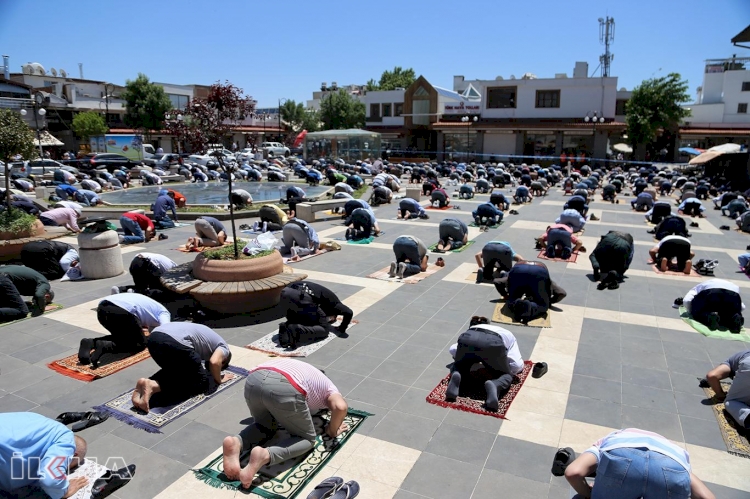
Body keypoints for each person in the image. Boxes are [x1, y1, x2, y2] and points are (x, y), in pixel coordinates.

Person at [222, 359, 349, 489]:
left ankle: (237, 442)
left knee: (264, 426)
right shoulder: (329, 387)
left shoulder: (306, 372)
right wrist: (332, 430)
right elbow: (340, 407)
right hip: (285, 386)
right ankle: (264, 455)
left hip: (254, 379)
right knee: (307, 439)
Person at [565, 428, 716, 499]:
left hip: (619, 452)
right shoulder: (675, 452)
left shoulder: (608, 440)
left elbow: (573, 472)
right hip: (672, 465)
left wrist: (589, 494)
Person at [131, 322, 231, 412]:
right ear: (224, 360)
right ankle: (154, 386)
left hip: (154, 338)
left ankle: (145, 383)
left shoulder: (210, 339)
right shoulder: (224, 347)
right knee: (200, 382)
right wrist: (219, 380)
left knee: (176, 370)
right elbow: (215, 362)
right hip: (175, 341)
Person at [0, 412, 89, 499]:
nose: (65, 469)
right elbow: (51, 479)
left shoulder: (42, 422)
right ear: (74, 454)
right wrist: (64, 491)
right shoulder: (66, 439)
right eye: (69, 466)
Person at [445, 317, 524, 411]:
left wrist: (467, 359)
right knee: (506, 375)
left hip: (468, 338)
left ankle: (457, 373)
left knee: (459, 365)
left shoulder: (471, 329)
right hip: (493, 344)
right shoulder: (508, 334)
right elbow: (517, 365)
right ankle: (495, 384)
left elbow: (453, 350)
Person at [79, 293, 170, 368]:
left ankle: (91, 342)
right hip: (122, 311)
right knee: (140, 344)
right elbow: (165, 330)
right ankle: (104, 345)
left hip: (102, 309)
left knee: (122, 336)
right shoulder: (164, 313)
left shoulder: (152, 307)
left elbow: (151, 330)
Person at [277, 281, 354, 347]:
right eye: (331, 319)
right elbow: (349, 312)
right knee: (324, 330)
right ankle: (296, 328)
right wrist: (342, 328)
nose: (329, 320)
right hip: (302, 295)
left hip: (285, 292)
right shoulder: (335, 304)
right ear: (335, 313)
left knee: (300, 319)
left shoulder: (325, 299)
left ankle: (285, 327)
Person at [493, 261, 567, 324]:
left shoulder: (509, 276)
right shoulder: (547, 280)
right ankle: (532, 306)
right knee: (542, 305)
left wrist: (505, 295)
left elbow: (497, 281)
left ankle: (515, 302)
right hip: (539, 271)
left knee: (512, 299)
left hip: (518, 271)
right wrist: (548, 302)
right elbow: (561, 293)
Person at [706, 349, 750, 429]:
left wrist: (720, 394)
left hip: (748, 365)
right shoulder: (740, 355)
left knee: (731, 401)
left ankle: (747, 416)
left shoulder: (729, 363)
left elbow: (712, 376)